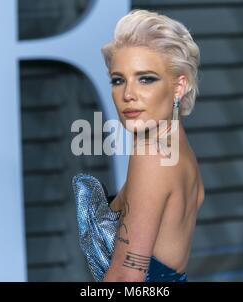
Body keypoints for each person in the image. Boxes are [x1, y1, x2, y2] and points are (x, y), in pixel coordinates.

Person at [73, 9, 205, 282]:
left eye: (146, 78)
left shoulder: (152, 156)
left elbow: (126, 278)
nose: (128, 94)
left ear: (179, 86)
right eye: (118, 80)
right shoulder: (179, 150)